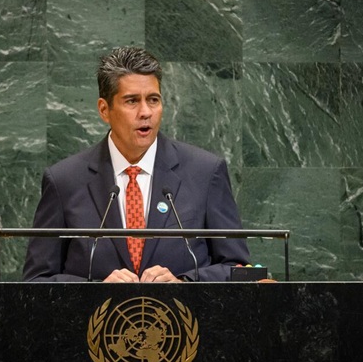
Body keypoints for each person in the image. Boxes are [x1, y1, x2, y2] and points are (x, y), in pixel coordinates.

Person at [23, 47, 249, 282]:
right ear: (104, 110)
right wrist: (94, 290)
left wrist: (184, 283)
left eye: (153, 100)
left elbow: (239, 269)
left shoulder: (205, 172)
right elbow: (37, 280)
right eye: (132, 101)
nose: (145, 112)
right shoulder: (64, 181)